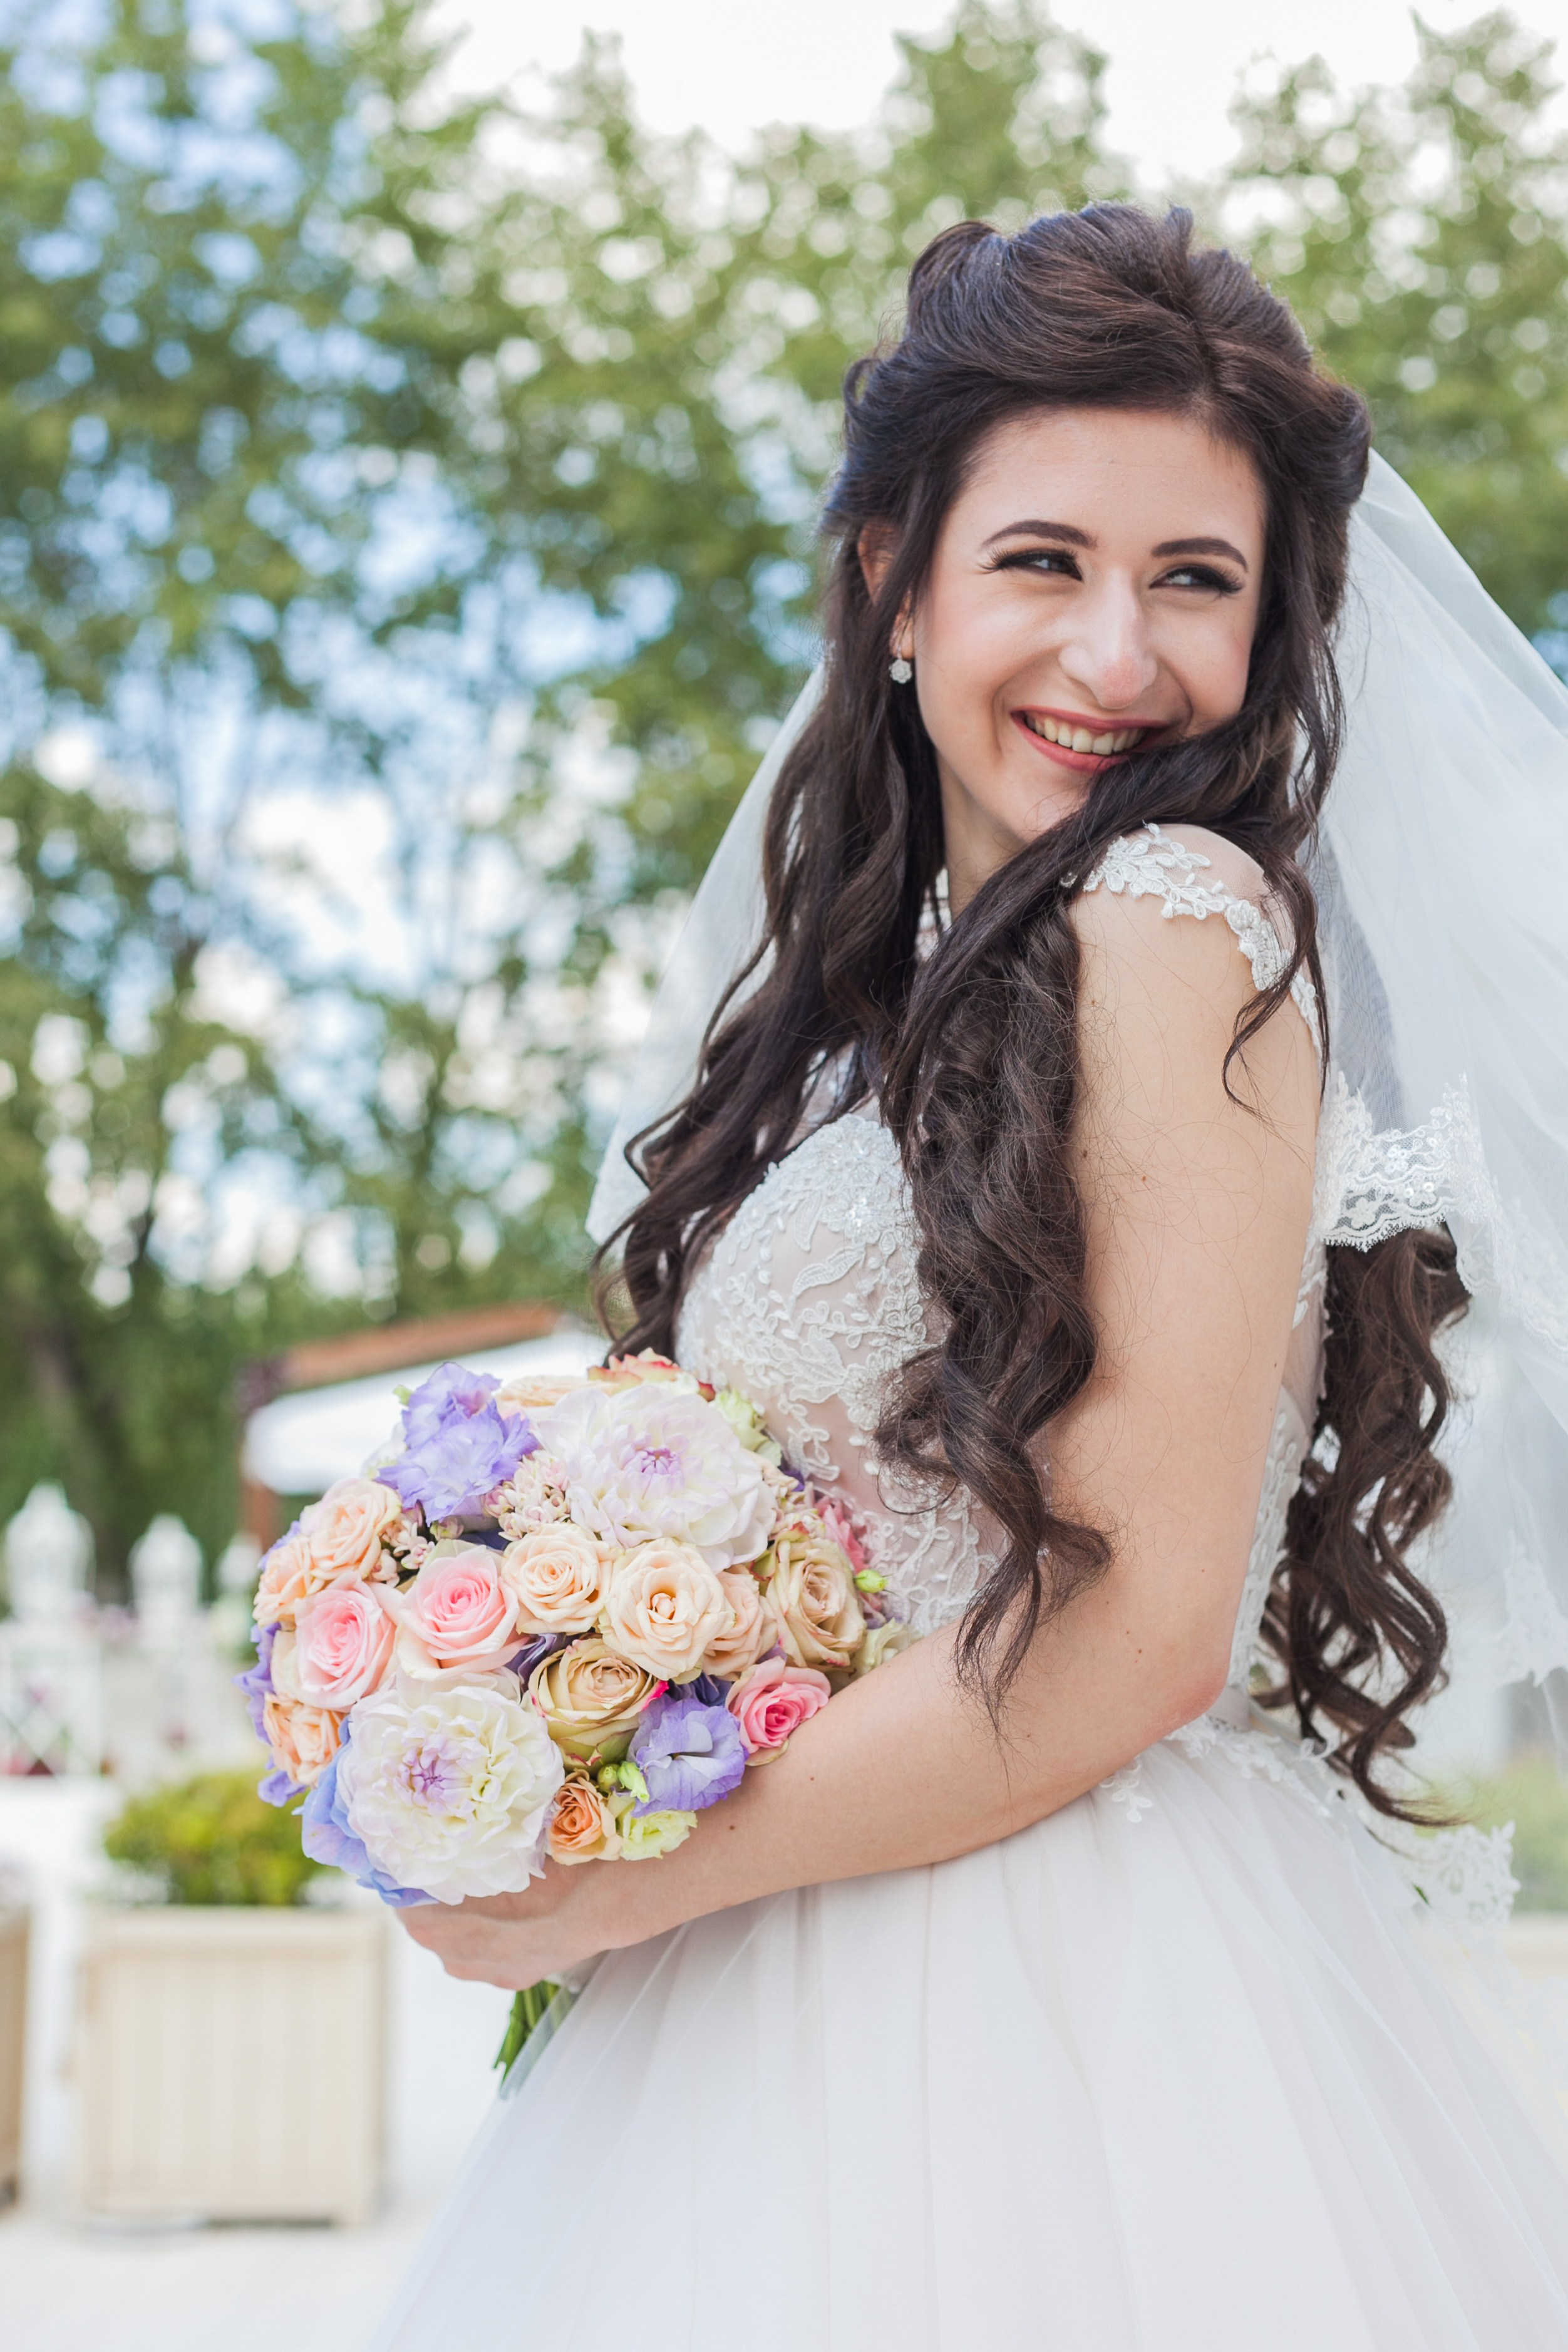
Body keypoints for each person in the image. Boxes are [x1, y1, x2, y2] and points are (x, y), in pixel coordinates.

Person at [373, 207, 1568, 2349]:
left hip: (1048, 1979)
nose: (1118, 659)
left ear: (1275, 622)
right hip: (802, 1941)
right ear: (895, 585)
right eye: (1044, 562)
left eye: (1194, 582)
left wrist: (628, 1874)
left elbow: (1134, 1625)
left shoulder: (1178, 920)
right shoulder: (881, 1000)